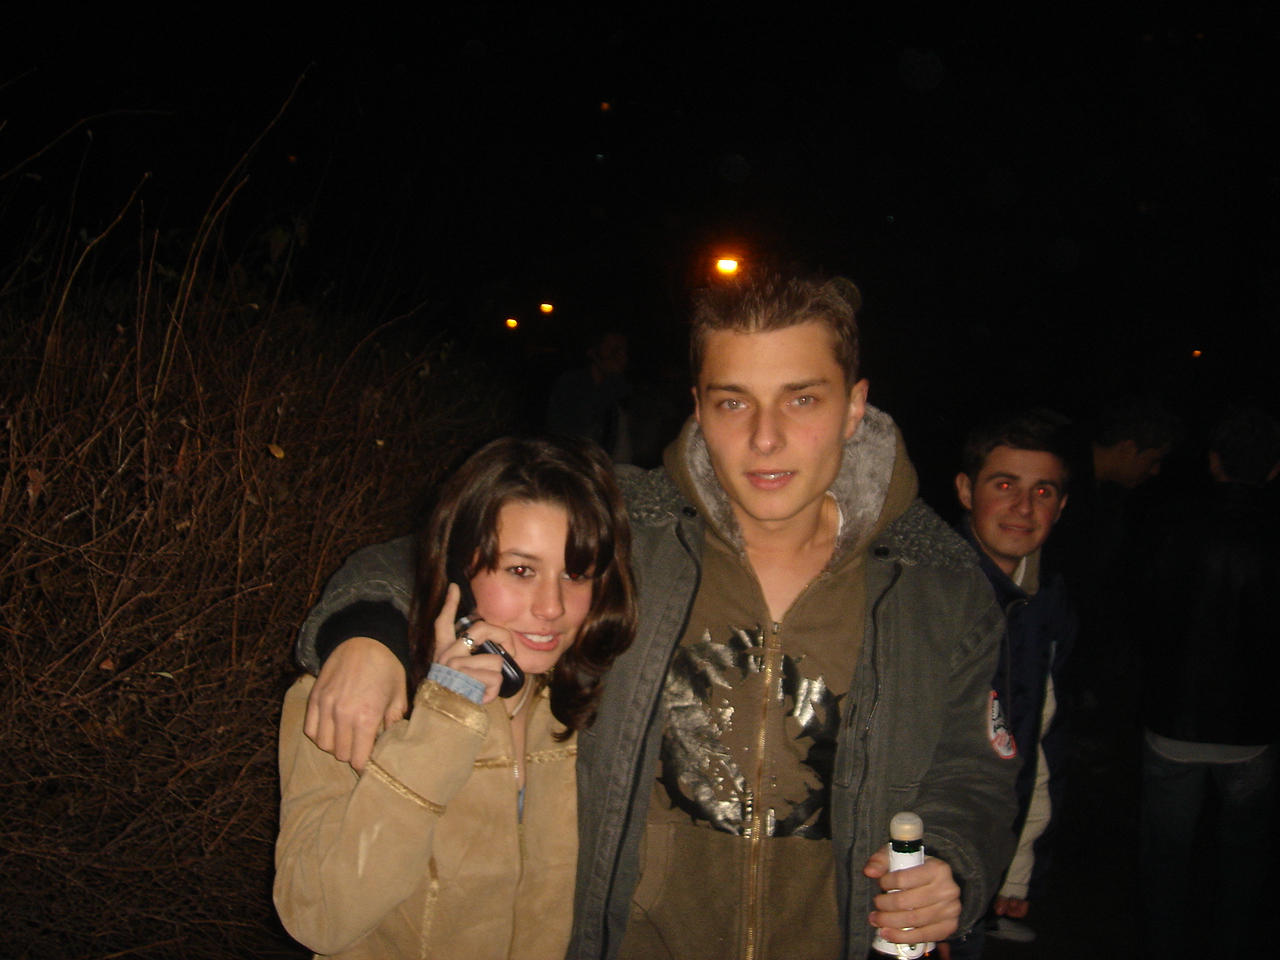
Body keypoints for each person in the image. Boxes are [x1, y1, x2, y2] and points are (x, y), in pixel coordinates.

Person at [295, 273, 1019, 960]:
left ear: (855, 406)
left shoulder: (939, 587)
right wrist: (368, 635)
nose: (765, 437)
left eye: (801, 399)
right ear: (698, 407)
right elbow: (454, 549)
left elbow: (972, 775)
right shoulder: (632, 527)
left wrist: (952, 862)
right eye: (734, 402)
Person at [274, 436, 638, 960]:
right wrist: (443, 720)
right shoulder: (353, 695)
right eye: (520, 571)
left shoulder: (592, 703)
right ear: (461, 570)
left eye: (574, 575)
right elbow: (317, 917)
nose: (552, 607)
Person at [1136, 406, 1280, 960]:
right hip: (1253, 726)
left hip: (1175, 718)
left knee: (1166, 858)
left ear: (1215, 461)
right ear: (1273, 468)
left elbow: (1141, 612)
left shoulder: (1171, 523)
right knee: (1244, 859)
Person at [947, 410, 1077, 957]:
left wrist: (1018, 868)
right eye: (1004, 485)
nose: (1024, 508)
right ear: (965, 491)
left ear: (1061, 506)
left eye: (1043, 491)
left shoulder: (1048, 601)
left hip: (986, 864)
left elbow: (1039, 740)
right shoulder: (924, 593)